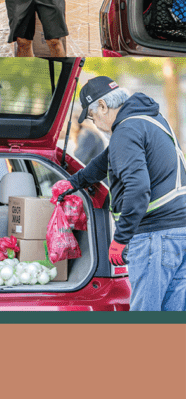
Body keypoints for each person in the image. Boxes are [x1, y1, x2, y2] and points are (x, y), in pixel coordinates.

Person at [62, 76, 186, 311]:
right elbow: (107, 159)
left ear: (102, 106)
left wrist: (121, 239)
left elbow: (138, 190)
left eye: (91, 116)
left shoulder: (126, 131)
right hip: (179, 231)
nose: (94, 122)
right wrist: (74, 182)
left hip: (154, 236)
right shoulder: (148, 119)